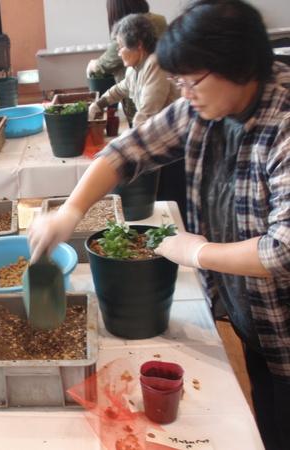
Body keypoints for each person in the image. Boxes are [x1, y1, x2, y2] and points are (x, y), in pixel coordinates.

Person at [30, 1, 290, 448]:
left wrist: (196, 252)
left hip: (284, 323)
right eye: (178, 81)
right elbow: (127, 151)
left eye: (191, 81)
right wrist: (70, 211)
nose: (184, 93)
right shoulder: (205, 104)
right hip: (254, 319)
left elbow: (282, 250)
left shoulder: (283, 124)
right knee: (267, 416)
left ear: (239, 64)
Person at [88, 13, 178, 128]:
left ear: (138, 44)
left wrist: (131, 134)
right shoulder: (133, 68)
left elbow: (147, 113)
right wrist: (98, 104)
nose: (119, 53)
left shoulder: (155, 64)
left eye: (121, 46)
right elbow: (120, 89)